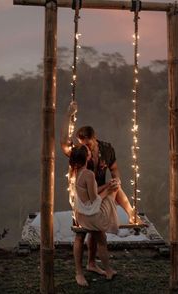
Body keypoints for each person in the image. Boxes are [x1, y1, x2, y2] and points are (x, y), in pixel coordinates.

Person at [60, 101, 143, 286]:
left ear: (94, 139)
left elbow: (114, 169)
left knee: (115, 189)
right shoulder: (79, 153)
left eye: (88, 144)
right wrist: (68, 116)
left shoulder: (106, 148)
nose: (86, 148)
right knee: (82, 233)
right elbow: (64, 143)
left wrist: (116, 180)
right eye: (83, 145)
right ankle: (79, 272)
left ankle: (131, 214)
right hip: (83, 197)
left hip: (98, 192)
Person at [69, 145, 119, 281]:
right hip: (91, 215)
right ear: (87, 157)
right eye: (89, 151)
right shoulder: (89, 174)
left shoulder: (75, 172)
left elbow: (89, 192)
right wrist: (109, 191)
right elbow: (94, 200)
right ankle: (108, 271)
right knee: (102, 239)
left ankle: (104, 269)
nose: (91, 152)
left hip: (82, 214)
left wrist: (107, 185)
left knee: (100, 237)